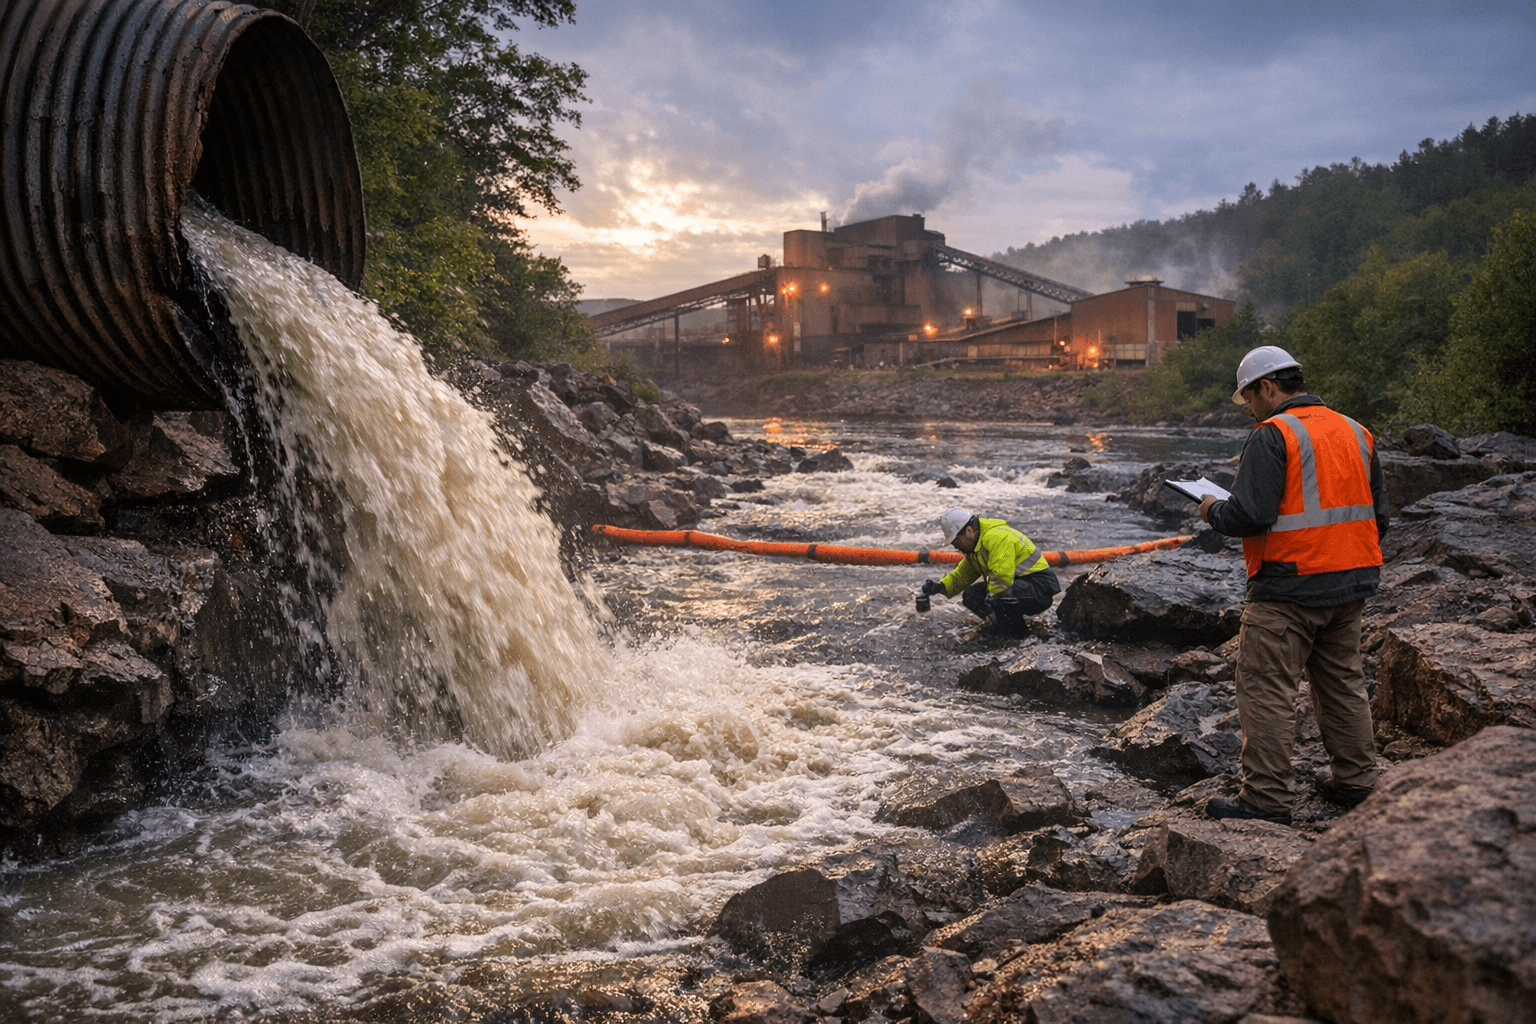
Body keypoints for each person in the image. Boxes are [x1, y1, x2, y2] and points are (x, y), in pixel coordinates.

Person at [1197, 345, 1390, 826]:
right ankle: (1357, 783)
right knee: (1343, 684)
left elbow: (1249, 515)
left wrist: (1210, 510)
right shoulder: (1356, 430)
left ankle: (1266, 799)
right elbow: (1378, 518)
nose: (1251, 410)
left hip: (1288, 588)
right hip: (1350, 582)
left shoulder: (1273, 434)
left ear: (1268, 387)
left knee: (1265, 690)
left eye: (1250, 399)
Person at [920, 507, 1060, 637]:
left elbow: (1001, 577)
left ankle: (1017, 634)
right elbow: (961, 576)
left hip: (1040, 589)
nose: (956, 547)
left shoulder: (997, 537)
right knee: (971, 595)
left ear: (969, 531)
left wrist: (992, 600)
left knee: (1000, 596)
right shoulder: (976, 549)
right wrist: (941, 587)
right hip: (1022, 587)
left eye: (956, 541)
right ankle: (1002, 628)